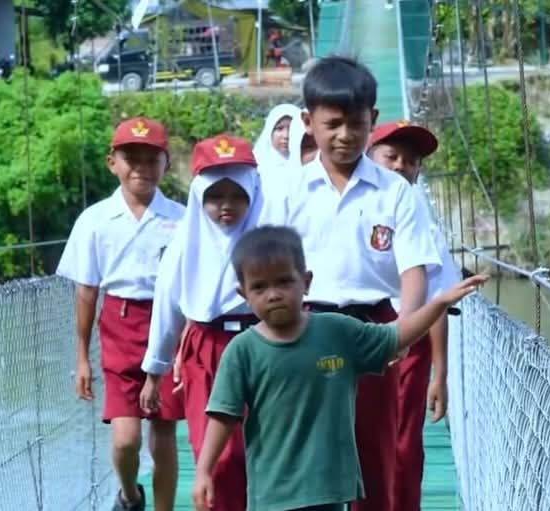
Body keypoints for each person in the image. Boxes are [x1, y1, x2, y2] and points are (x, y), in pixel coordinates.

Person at [191, 226, 488, 511]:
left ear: (306, 282)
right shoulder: (242, 351)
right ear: (243, 294)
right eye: (259, 287)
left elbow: (397, 335)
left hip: (328, 486)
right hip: (274, 491)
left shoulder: (337, 332)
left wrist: (440, 302)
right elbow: (223, 415)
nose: (273, 294)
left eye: (284, 281)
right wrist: (204, 471)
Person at [268, 55, 443, 511]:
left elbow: (414, 271)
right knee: (303, 456)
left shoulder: (395, 191)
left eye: (356, 124)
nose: (345, 135)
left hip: (372, 330)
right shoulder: (288, 190)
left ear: (373, 122)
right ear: (308, 123)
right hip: (304, 330)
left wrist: (401, 331)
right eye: (333, 124)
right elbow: (267, 269)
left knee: (374, 456)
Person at [56, 117, 185, 511]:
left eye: (152, 158)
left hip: (168, 325)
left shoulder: (183, 218)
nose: (142, 168)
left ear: (166, 163)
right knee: (125, 437)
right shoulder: (94, 220)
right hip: (119, 324)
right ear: (113, 162)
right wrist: (81, 357)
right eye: (132, 158)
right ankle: (130, 495)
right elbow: (86, 290)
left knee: (162, 431)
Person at [140, 135, 266, 511]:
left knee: (266, 455)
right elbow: (167, 310)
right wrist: (154, 373)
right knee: (217, 458)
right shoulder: (184, 245)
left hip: (265, 347)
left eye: (238, 195)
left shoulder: (271, 239)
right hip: (207, 352)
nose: (226, 206)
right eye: (215, 197)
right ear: (199, 198)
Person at [368, 119, 461, 511]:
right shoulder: (350, 207)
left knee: (404, 442)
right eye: (391, 156)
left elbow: (437, 301)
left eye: (411, 161)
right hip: (357, 333)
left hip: (409, 344)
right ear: (369, 157)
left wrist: (440, 375)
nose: (401, 166)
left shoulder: (425, 224)